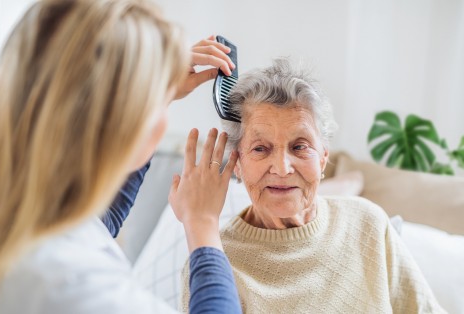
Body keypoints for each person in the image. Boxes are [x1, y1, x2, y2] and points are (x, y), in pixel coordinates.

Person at [0, 0, 242, 313]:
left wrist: (159, 97)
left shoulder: (24, 210)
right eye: (151, 101)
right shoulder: (70, 285)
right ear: (124, 123)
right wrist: (202, 224)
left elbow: (99, 224)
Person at [181, 58, 446, 313]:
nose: (283, 168)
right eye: (261, 148)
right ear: (237, 163)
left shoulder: (368, 224)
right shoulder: (212, 264)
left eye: (299, 147)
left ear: (322, 158)